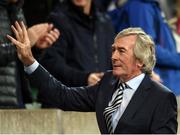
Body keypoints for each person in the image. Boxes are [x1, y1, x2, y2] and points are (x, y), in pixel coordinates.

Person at [7, 22, 177, 133]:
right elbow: (63, 96)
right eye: (113, 50)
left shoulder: (162, 98)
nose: (114, 57)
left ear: (140, 61)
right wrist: (30, 61)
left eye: (121, 51)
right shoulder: (107, 83)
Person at [109, 0, 180, 95]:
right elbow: (146, 48)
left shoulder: (149, 5)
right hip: (162, 82)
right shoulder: (141, 7)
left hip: (168, 82)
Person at [40, 0, 115, 87]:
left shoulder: (105, 22)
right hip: (68, 96)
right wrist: (84, 78)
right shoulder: (58, 19)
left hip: (99, 96)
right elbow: (51, 63)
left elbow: (112, 61)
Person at [0, 0, 60, 108]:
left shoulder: (17, 9)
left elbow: (21, 61)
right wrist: (23, 43)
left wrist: (35, 47)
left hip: (17, 101)